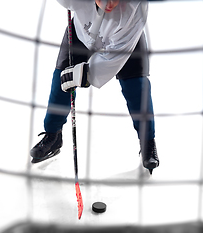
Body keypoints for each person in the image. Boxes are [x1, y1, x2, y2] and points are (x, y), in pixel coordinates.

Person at [30, 0, 160, 174]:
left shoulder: (136, 7)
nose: (109, 2)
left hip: (125, 42)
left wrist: (86, 74)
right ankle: (53, 135)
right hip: (81, 33)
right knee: (60, 82)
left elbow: (118, 54)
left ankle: (147, 142)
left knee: (137, 87)